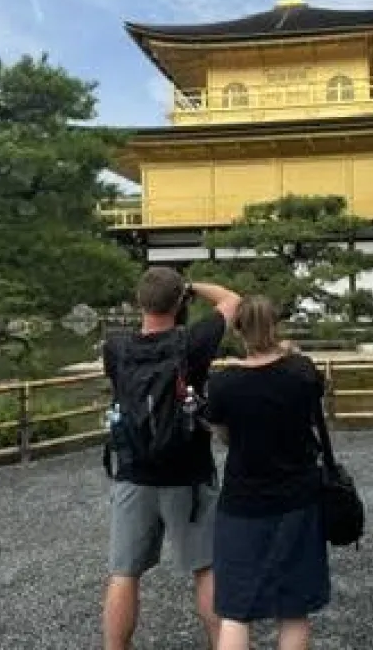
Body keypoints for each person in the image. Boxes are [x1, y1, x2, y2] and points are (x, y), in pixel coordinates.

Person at [101, 267, 241, 650]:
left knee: (123, 573)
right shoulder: (193, 343)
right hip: (188, 474)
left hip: (133, 472)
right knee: (206, 568)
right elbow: (232, 300)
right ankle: (222, 643)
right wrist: (192, 286)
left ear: (139, 302)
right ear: (180, 302)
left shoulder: (115, 348)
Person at [205, 295, 331, 650]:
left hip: (242, 501)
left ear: (238, 330)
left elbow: (223, 435)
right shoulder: (301, 372)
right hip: (298, 499)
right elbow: (313, 407)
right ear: (276, 325)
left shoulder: (224, 383)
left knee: (235, 610)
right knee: (293, 609)